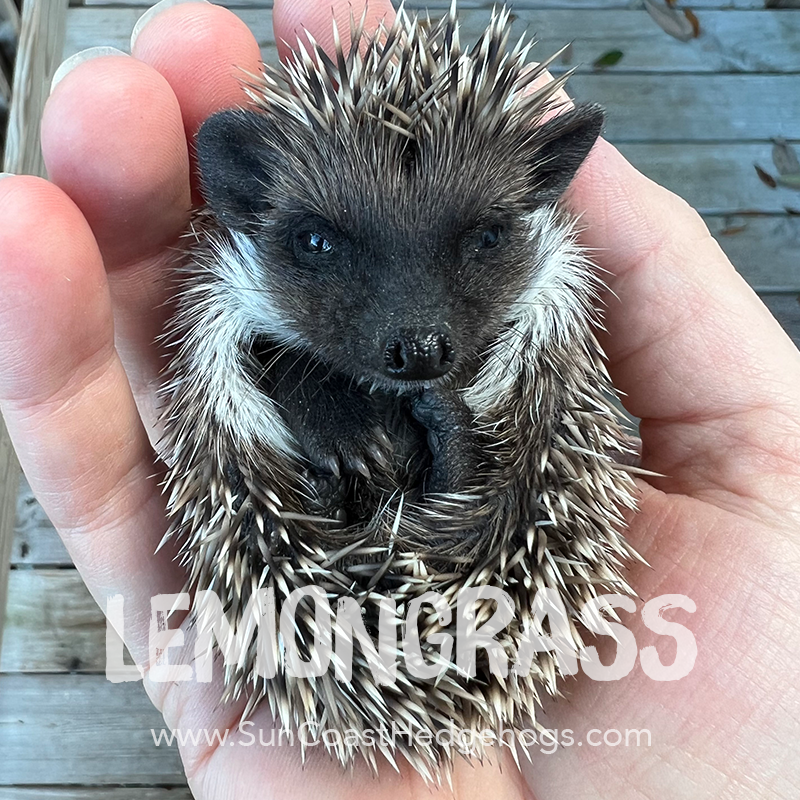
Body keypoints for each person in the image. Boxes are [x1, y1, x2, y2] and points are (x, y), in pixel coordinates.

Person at [1, 0, 799, 797]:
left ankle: (465, 470)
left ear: (545, 186)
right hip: (330, 574)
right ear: (244, 196)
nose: (418, 334)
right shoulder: (243, 322)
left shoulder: (539, 316)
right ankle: (453, 461)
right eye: (319, 245)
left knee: (513, 458)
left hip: (492, 552)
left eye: (483, 240)